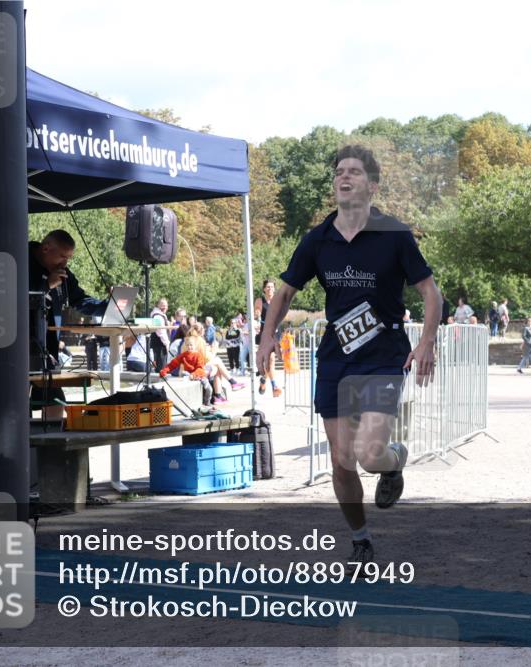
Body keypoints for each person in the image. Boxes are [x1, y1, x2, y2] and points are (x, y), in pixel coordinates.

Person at [256, 145, 441, 567]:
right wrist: (267, 336)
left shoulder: (394, 235)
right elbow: (284, 292)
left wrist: (426, 341)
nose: (344, 177)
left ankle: (395, 461)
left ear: (371, 186)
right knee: (341, 460)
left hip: (383, 356)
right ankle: (360, 541)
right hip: (338, 358)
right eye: (339, 171)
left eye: (354, 172)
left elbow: (431, 292)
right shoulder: (318, 239)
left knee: (369, 455)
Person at [28, 230, 109, 418]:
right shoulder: (20, 260)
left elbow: (80, 301)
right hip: (19, 349)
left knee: (55, 401)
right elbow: (12, 302)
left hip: (48, 351)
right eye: (62, 256)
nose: (65, 263)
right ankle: (24, 446)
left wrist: (108, 305)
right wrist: (46, 286)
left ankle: (51, 445)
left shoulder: (62, 273)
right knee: (19, 406)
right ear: (46, 248)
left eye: (69, 258)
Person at [159, 335, 213, 404]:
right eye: (188, 345)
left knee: (209, 389)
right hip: (188, 375)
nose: (189, 347)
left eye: (191, 345)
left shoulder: (198, 355)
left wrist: (194, 375)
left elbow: (200, 368)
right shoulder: (183, 355)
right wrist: (164, 371)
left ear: (195, 346)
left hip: (199, 375)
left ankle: (206, 403)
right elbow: (173, 364)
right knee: (184, 373)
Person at [254, 280, 283, 397]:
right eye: (268, 287)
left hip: (275, 333)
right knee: (270, 359)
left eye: (272, 287)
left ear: (274, 289)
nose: (270, 289)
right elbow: (257, 310)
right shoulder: (260, 300)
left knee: (271, 360)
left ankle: (263, 379)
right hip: (264, 334)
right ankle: (274, 385)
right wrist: (257, 314)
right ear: (264, 289)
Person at [148, 298, 171, 372]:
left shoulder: (159, 315)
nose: (165, 307)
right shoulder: (157, 316)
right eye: (162, 305)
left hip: (159, 345)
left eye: (166, 306)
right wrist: (167, 343)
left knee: (160, 366)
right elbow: (161, 332)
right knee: (161, 367)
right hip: (160, 345)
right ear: (158, 305)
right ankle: (161, 381)